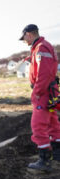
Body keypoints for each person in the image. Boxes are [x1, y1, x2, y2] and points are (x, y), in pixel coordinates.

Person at [20, 24, 60, 171]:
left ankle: (45, 161)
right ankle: (57, 154)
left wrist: (36, 92)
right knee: (52, 123)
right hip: (50, 90)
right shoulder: (43, 47)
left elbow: (43, 74)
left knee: (38, 125)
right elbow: (46, 68)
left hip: (43, 92)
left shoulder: (41, 48)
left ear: (29, 34)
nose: (24, 40)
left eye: (23, 37)